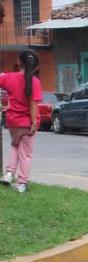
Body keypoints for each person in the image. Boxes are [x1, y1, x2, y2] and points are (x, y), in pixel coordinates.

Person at [0, 50, 41, 193]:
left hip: (12, 122)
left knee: (15, 146)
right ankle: (22, 183)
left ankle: (9, 173)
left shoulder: (8, 78)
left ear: (19, 62)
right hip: (27, 123)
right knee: (26, 154)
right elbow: (33, 104)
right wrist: (34, 123)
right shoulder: (35, 82)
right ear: (36, 67)